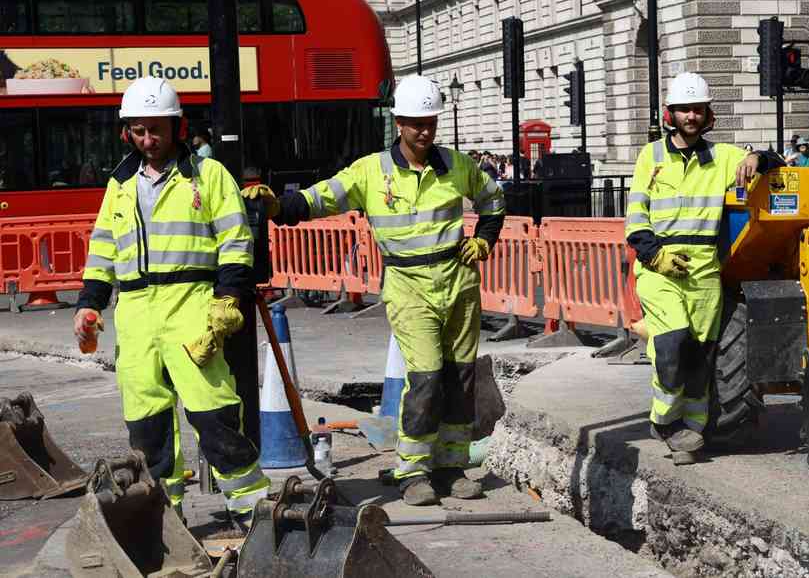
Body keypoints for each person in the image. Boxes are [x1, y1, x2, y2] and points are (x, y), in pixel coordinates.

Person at [244, 75, 505, 506]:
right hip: (408, 286)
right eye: (416, 123)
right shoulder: (371, 172)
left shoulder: (458, 166)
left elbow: (494, 200)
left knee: (460, 377)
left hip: (459, 284)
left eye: (431, 122)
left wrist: (485, 238)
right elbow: (320, 199)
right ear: (398, 122)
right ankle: (413, 470)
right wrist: (277, 207)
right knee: (425, 377)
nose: (424, 131)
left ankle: (452, 466)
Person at [73, 77, 268, 526]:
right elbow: (103, 250)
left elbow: (235, 238)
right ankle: (166, 515)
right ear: (128, 131)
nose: (148, 139)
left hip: (191, 302)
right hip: (137, 311)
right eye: (139, 130)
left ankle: (251, 506)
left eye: (156, 129)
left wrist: (228, 296)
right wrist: (89, 303)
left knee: (212, 409)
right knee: (146, 422)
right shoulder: (119, 183)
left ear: (177, 126)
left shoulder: (208, 174)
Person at [624, 72, 784, 463]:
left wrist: (755, 157)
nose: (690, 116)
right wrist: (654, 255)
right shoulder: (652, 157)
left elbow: (775, 159)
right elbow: (636, 217)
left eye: (697, 109)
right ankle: (664, 421)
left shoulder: (724, 156)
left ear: (707, 114)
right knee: (673, 341)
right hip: (660, 267)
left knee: (701, 355)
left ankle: (691, 434)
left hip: (704, 272)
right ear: (670, 114)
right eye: (683, 110)